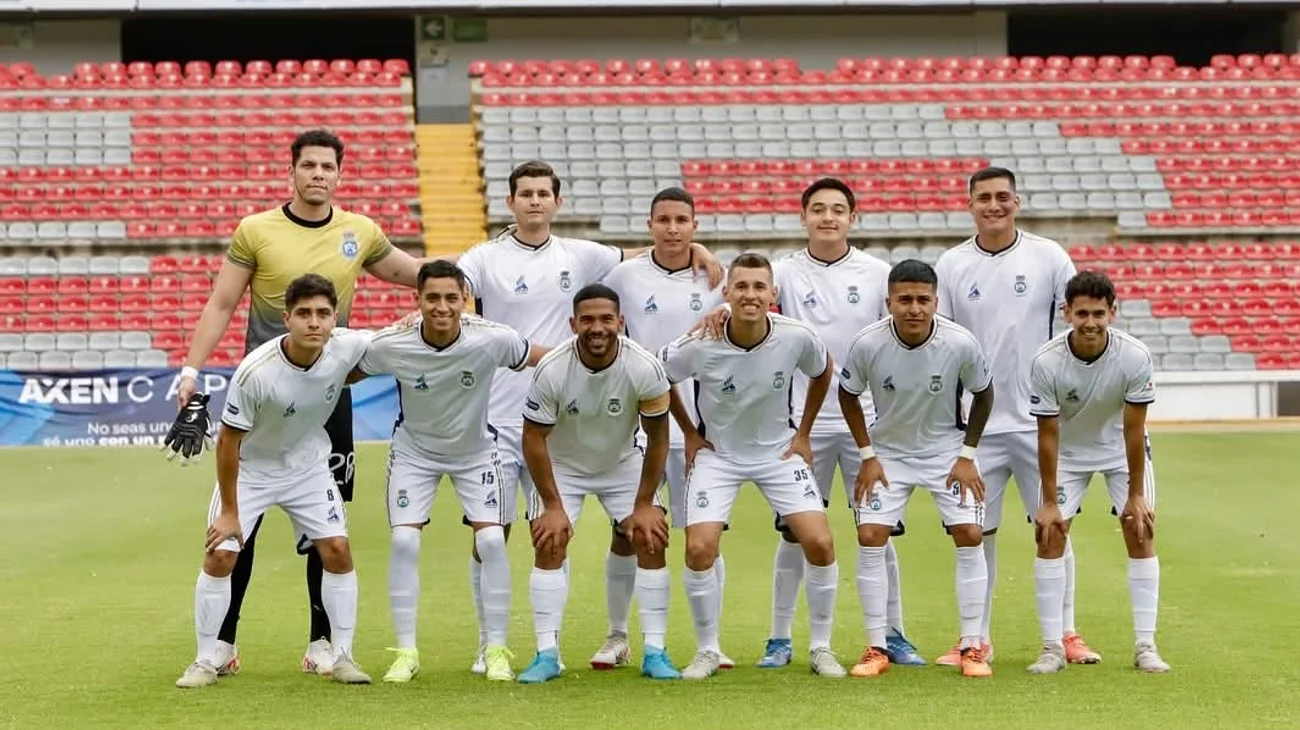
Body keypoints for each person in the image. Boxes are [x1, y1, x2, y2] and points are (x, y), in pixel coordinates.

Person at [168, 128, 435, 677]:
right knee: (239, 533)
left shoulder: (360, 232)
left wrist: (482, 267)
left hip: (327, 398)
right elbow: (221, 302)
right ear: (291, 171)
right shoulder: (256, 230)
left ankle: (323, 644)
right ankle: (221, 643)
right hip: (263, 397)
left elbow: (418, 275)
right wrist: (192, 367)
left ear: (339, 173)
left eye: (327, 166)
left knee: (326, 531)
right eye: (308, 165)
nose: (318, 174)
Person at [457, 161, 722, 673]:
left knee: (645, 533)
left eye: (543, 193)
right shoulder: (485, 257)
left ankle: (646, 646)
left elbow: (649, 254)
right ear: (510, 202)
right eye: (525, 193)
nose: (535, 201)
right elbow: (447, 286)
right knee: (499, 535)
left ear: (557, 202)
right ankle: (499, 645)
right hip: (508, 419)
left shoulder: (584, 257)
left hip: (591, 430)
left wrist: (697, 250)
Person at [346, 261, 548, 683]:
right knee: (404, 542)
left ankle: (495, 650)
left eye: (451, 298)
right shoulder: (392, 344)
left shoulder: (492, 339)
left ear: (465, 300)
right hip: (414, 453)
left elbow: (542, 359)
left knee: (491, 541)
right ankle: (406, 653)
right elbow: (343, 373)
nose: (442, 307)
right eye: (432, 298)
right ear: (417, 300)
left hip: (476, 452)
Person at [175, 274, 373, 688]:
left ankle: (342, 656)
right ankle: (205, 660)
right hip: (253, 469)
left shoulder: (348, 346)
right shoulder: (255, 372)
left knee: (337, 550)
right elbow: (228, 443)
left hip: (308, 466)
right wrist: (230, 513)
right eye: (304, 313)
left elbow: (397, 343)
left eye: (323, 313)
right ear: (287, 318)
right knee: (221, 554)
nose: (314, 322)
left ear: (335, 317)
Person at [932, 166, 1094, 665]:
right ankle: (975, 637)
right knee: (976, 532)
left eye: (1003, 197)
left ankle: (1067, 633)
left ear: (1017, 202)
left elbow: (1080, 324)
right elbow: (941, 341)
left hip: (1039, 422)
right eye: (984, 198)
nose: (994, 205)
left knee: (1054, 527)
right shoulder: (951, 264)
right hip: (977, 428)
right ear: (970, 205)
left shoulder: (1049, 256)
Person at [660, 252, 846, 681]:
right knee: (699, 548)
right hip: (718, 456)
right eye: (741, 286)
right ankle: (708, 650)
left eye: (759, 287)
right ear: (726, 293)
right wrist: (689, 433)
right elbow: (659, 377)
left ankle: (821, 646)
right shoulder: (699, 341)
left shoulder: (796, 336)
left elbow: (823, 371)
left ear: (772, 293)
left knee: (820, 542)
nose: (750, 295)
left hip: (778, 454)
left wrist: (803, 434)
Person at [761, 178, 922, 668]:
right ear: (803, 216)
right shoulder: (783, 272)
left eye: (837, 209)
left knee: (878, 530)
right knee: (795, 532)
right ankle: (779, 638)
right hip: (801, 425)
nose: (827, 217)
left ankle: (893, 633)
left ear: (854, 217)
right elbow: (739, 298)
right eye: (818, 209)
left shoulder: (878, 274)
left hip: (866, 424)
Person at [838, 259, 996, 679]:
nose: (914, 308)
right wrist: (867, 455)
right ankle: (876, 647)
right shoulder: (868, 343)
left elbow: (984, 394)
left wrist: (967, 454)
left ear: (935, 302)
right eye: (904, 300)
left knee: (970, 533)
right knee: (870, 535)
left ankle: (972, 646)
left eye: (922, 300)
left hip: (947, 450)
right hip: (888, 452)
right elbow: (847, 395)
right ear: (888, 302)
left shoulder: (959, 342)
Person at [517, 284, 680, 684]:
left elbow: (658, 438)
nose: (597, 328)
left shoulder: (644, 367)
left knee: (650, 536)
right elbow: (533, 439)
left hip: (621, 463)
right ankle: (547, 654)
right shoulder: (552, 368)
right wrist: (552, 506)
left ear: (620, 322)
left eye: (606, 319)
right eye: (587, 319)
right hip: (563, 466)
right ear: (573, 324)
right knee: (550, 539)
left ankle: (654, 650)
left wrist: (644, 504)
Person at [600, 187, 733, 667]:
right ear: (650, 225)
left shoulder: (717, 277)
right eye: (664, 220)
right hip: (640, 427)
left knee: (705, 536)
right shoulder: (624, 276)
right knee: (628, 532)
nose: (673, 229)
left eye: (682, 221)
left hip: (703, 429)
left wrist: (704, 255)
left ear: (695, 225)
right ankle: (618, 636)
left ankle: (711, 643)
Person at [1026, 270, 1170, 674]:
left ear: (1113, 313)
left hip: (1120, 451)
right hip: (1068, 454)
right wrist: (1049, 502)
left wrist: (1136, 495)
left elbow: (1134, 429)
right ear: (1067, 313)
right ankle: (1052, 648)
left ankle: (1146, 645)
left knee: (1139, 529)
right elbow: (1047, 434)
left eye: (1099, 314)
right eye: (1082, 313)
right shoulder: (1046, 361)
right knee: (1050, 534)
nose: (1090, 322)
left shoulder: (1134, 356)